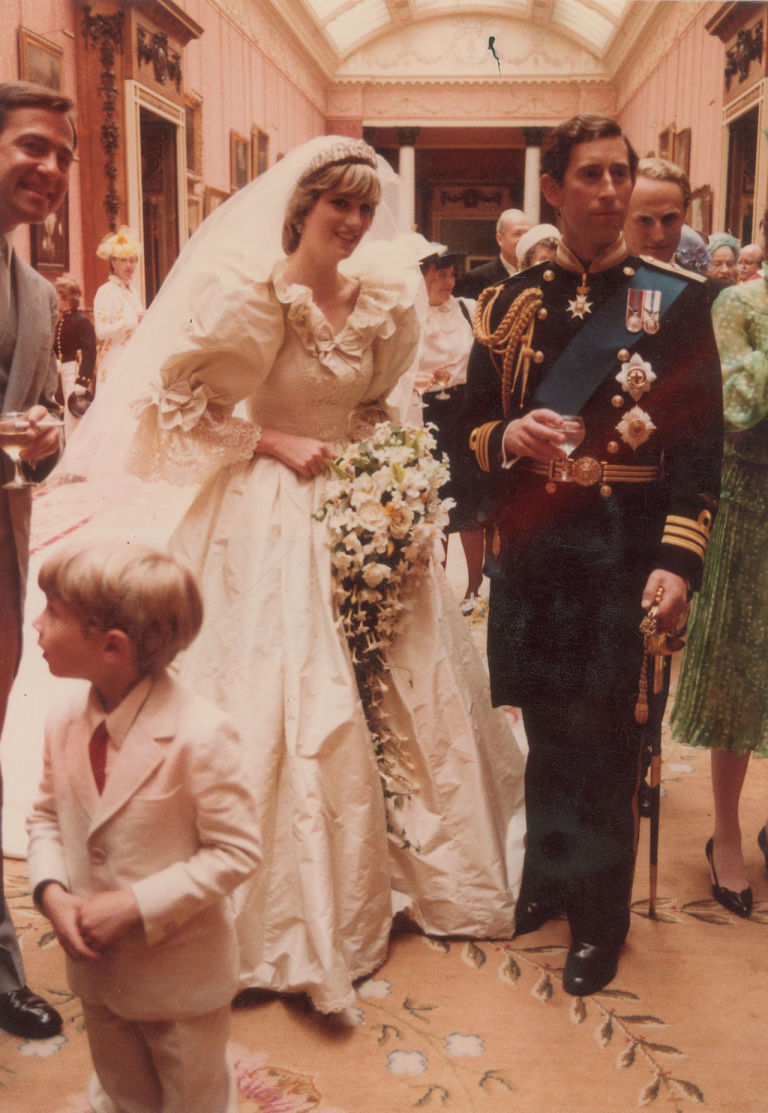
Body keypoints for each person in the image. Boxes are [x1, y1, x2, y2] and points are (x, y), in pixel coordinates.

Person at [90, 136, 525, 1014]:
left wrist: (393, 484)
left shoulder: (384, 301)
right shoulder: (252, 299)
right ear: (302, 210)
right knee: (282, 690)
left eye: (366, 208)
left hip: (359, 500)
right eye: (340, 206)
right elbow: (175, 409)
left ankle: (405, 867)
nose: (356, 223)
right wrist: (268, 438)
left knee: (401, 680)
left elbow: (373, 407)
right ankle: (274, 902)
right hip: (265, 511)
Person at [463, 114, 723, 995]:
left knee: (609, 736)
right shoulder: (507, 303)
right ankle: (547, 875)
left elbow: (700, 446)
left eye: (620, 173)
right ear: (553, 188)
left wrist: (678, 560)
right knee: (544, 727)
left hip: (624, 550)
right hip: (537, 550)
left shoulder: (675, 299)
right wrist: (507, 436)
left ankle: (599, 919)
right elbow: (467, 425)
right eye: (591, 175)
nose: (610, 191)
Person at [27, 538, 261, 1113]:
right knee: (123, 1088)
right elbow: (47, 815)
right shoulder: (62, 718)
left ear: (112, 646)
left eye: (53, 611)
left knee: (192, 1096)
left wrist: (135, 904)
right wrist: (51, 892)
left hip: (178, 980)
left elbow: (236, 852)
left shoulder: (201, 734)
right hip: (98, 974)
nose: (36, 624)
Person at [0, 79, 72, 1040]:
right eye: (31, 146)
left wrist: (47, 439)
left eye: (62, 156)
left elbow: (39, 418)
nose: (49, 168)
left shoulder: (40, 295)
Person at [672, 271, 768, 918]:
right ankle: (726, 834)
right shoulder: (739, 303)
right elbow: (734, 404)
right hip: (749, 503)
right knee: (737, 673)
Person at [416, 246, 485, 612]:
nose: (448, 281)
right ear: (422, 277)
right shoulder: (411, 316)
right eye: (440, 275)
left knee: (470, 500)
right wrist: (419, 380)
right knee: (436, 501)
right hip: (426, 414)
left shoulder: (467, 309)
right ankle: (439, 591)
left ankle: (474, 588)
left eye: (451, 274)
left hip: (464, 412)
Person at [93, 226, 144, 386]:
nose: (129, 265)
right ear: (113, 262)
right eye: (123, 260)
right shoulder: (106, 291)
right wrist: (130, 322)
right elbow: (101, 331)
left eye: (132, 260)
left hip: (134, 358)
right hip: (115, 360)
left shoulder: (133, 291)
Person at [53, 274, 96, 441]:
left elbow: (90, 352)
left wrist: (82, 381)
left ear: (66, 297)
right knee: (69, 416)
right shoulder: (62, 320)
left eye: (56, 294)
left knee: (76, 415)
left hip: (76, 371)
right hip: (65, 370)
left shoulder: (81, 321)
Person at [455, 208, 531, 298]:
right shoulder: (477, 278)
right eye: (517, 234)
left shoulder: (537, 273)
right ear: (500, 239)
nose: (524, 239)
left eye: (527, 233)